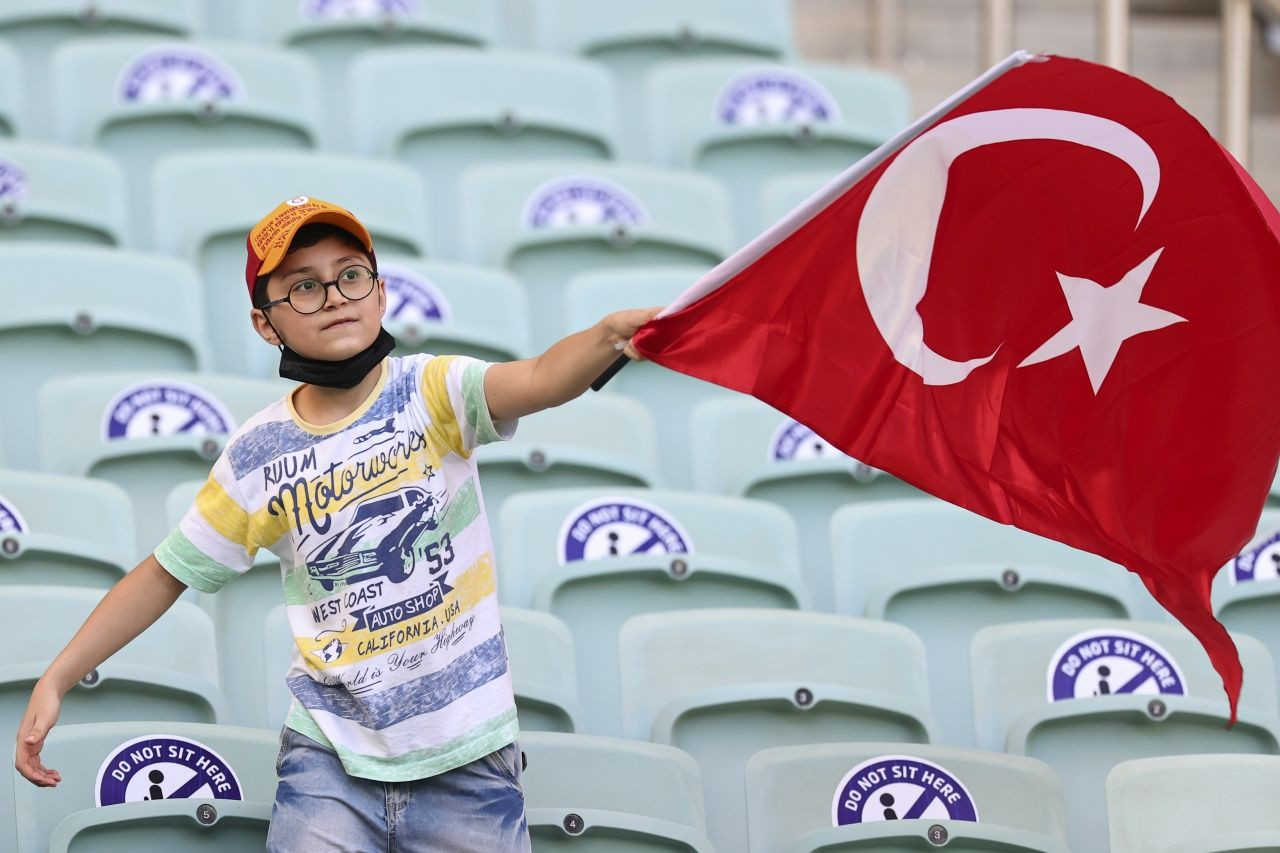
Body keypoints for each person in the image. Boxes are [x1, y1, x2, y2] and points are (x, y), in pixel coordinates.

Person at [14, 195, 660, 851]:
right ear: (266, 324)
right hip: (328, 761)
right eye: (303, 286)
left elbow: (543, 378)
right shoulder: (257, 453)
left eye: (350, 274)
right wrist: (58, 674)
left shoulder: (433, 390)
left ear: (380, 292)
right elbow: (164, 573)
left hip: (470, 757)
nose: (333, 296)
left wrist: (608, 337)